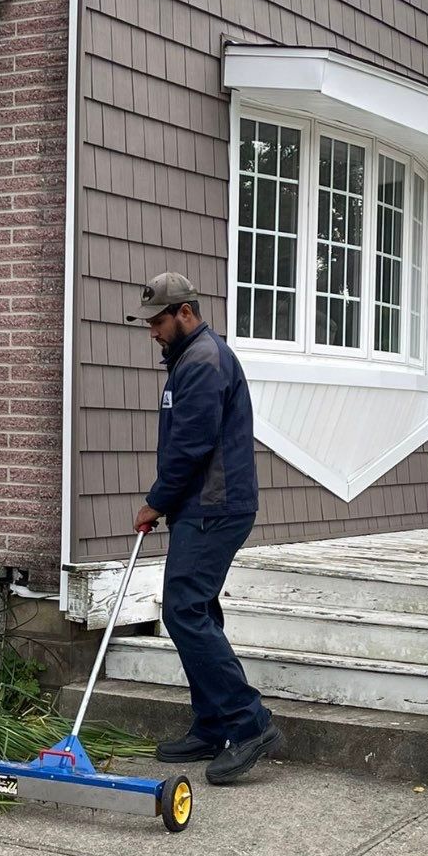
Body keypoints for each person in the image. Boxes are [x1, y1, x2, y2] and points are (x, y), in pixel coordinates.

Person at [127, 272, 282, 784]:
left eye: (158, 322)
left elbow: (191, 445)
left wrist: (155, 502)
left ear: (186, 313)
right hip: (205, 505)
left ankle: (249, 723)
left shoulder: (203, 361)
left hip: (214, 507)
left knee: (184, 610)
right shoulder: (191, 358)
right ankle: (213, 723)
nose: (152, 332)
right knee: (199, 610)